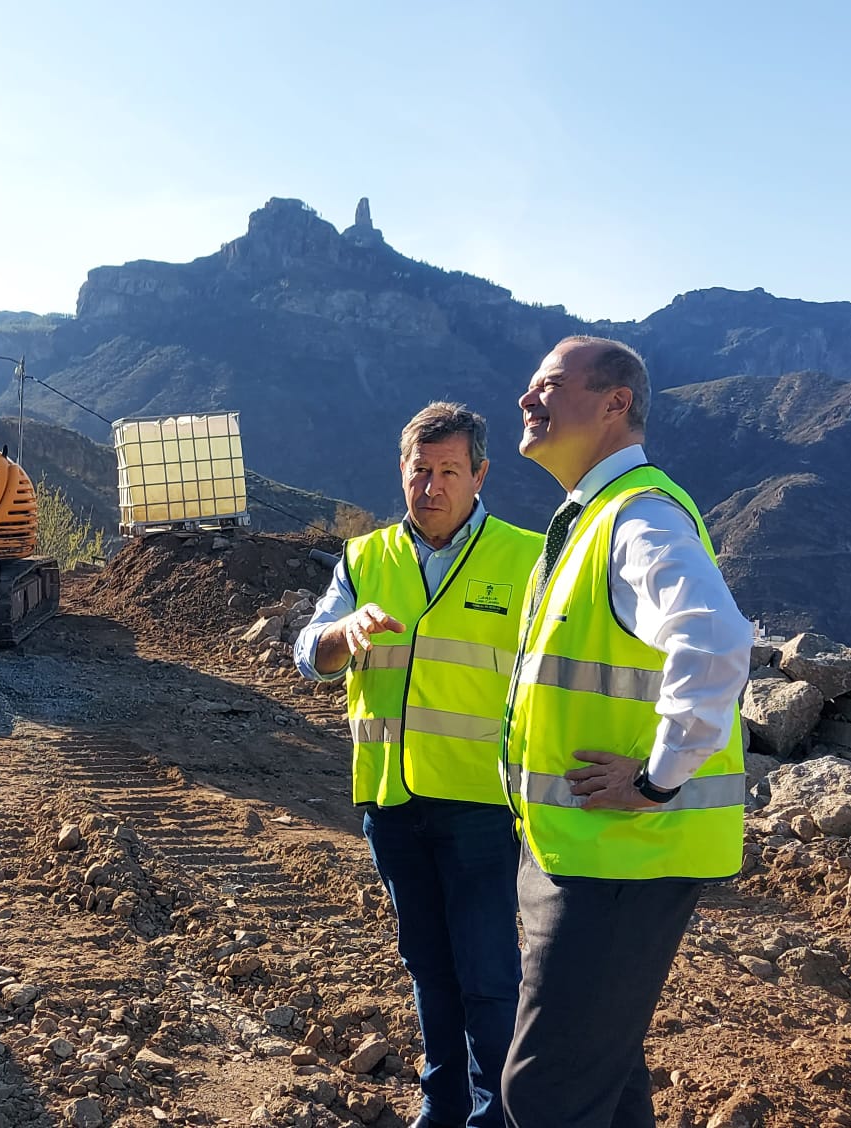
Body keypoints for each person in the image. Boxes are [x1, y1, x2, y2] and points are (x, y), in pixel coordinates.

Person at [499, 337, 752, 1127]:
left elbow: (714, 638)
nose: (526, 399)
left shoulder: (637, 517)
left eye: (549, 385)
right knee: (602, 1086)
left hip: (621, 857)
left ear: (615, 404)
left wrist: (657, 776)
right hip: (585, 847)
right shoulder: (596, 518)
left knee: (544, 1095)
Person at [295, 402, 542, 1128]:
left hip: (482, 805)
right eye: (419, 471)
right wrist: (344, 631)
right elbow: (310, 654)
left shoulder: (527, 559)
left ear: (479, 475)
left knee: (491, 976)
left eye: (448, 472)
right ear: (401, 473)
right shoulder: (364, 558)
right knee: (430, 971)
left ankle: (497, 1116)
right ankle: (442, 1110)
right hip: (391, 803)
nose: (431, 486)